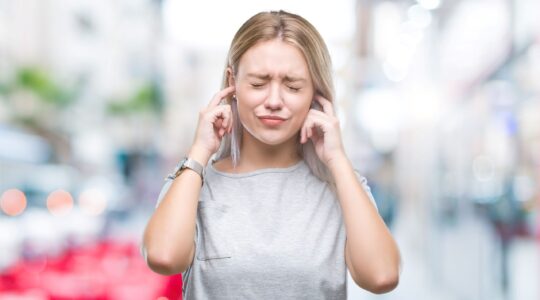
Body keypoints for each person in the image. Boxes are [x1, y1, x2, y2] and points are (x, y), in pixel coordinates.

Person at [142, 10, 401, 299]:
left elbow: (382, 276)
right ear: (233, 83)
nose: (274, 101)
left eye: (292, 86)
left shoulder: (341, 188)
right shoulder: (191, 182)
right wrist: (199, 152)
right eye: (258, 83)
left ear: (316, 92)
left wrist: (338, 160)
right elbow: (164, 257)